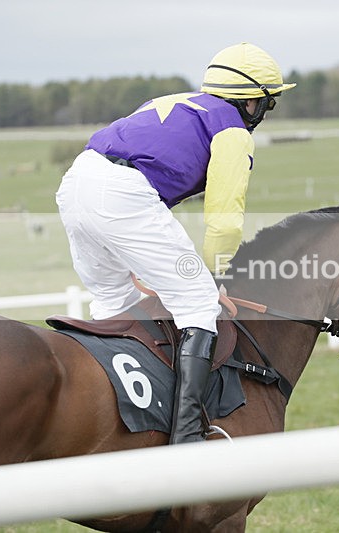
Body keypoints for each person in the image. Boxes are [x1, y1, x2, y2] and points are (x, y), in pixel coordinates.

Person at [55, 42, 295, 444]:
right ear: (251, 102)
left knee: (114, 302)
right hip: (124, 194)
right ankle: (187, 436)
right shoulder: (233, 132)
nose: (264, 114)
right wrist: (214, 275)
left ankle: (110, 418)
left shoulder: (173, 100)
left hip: (76, 182)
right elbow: (223, 218)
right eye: (266, 105)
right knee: (199, 302)